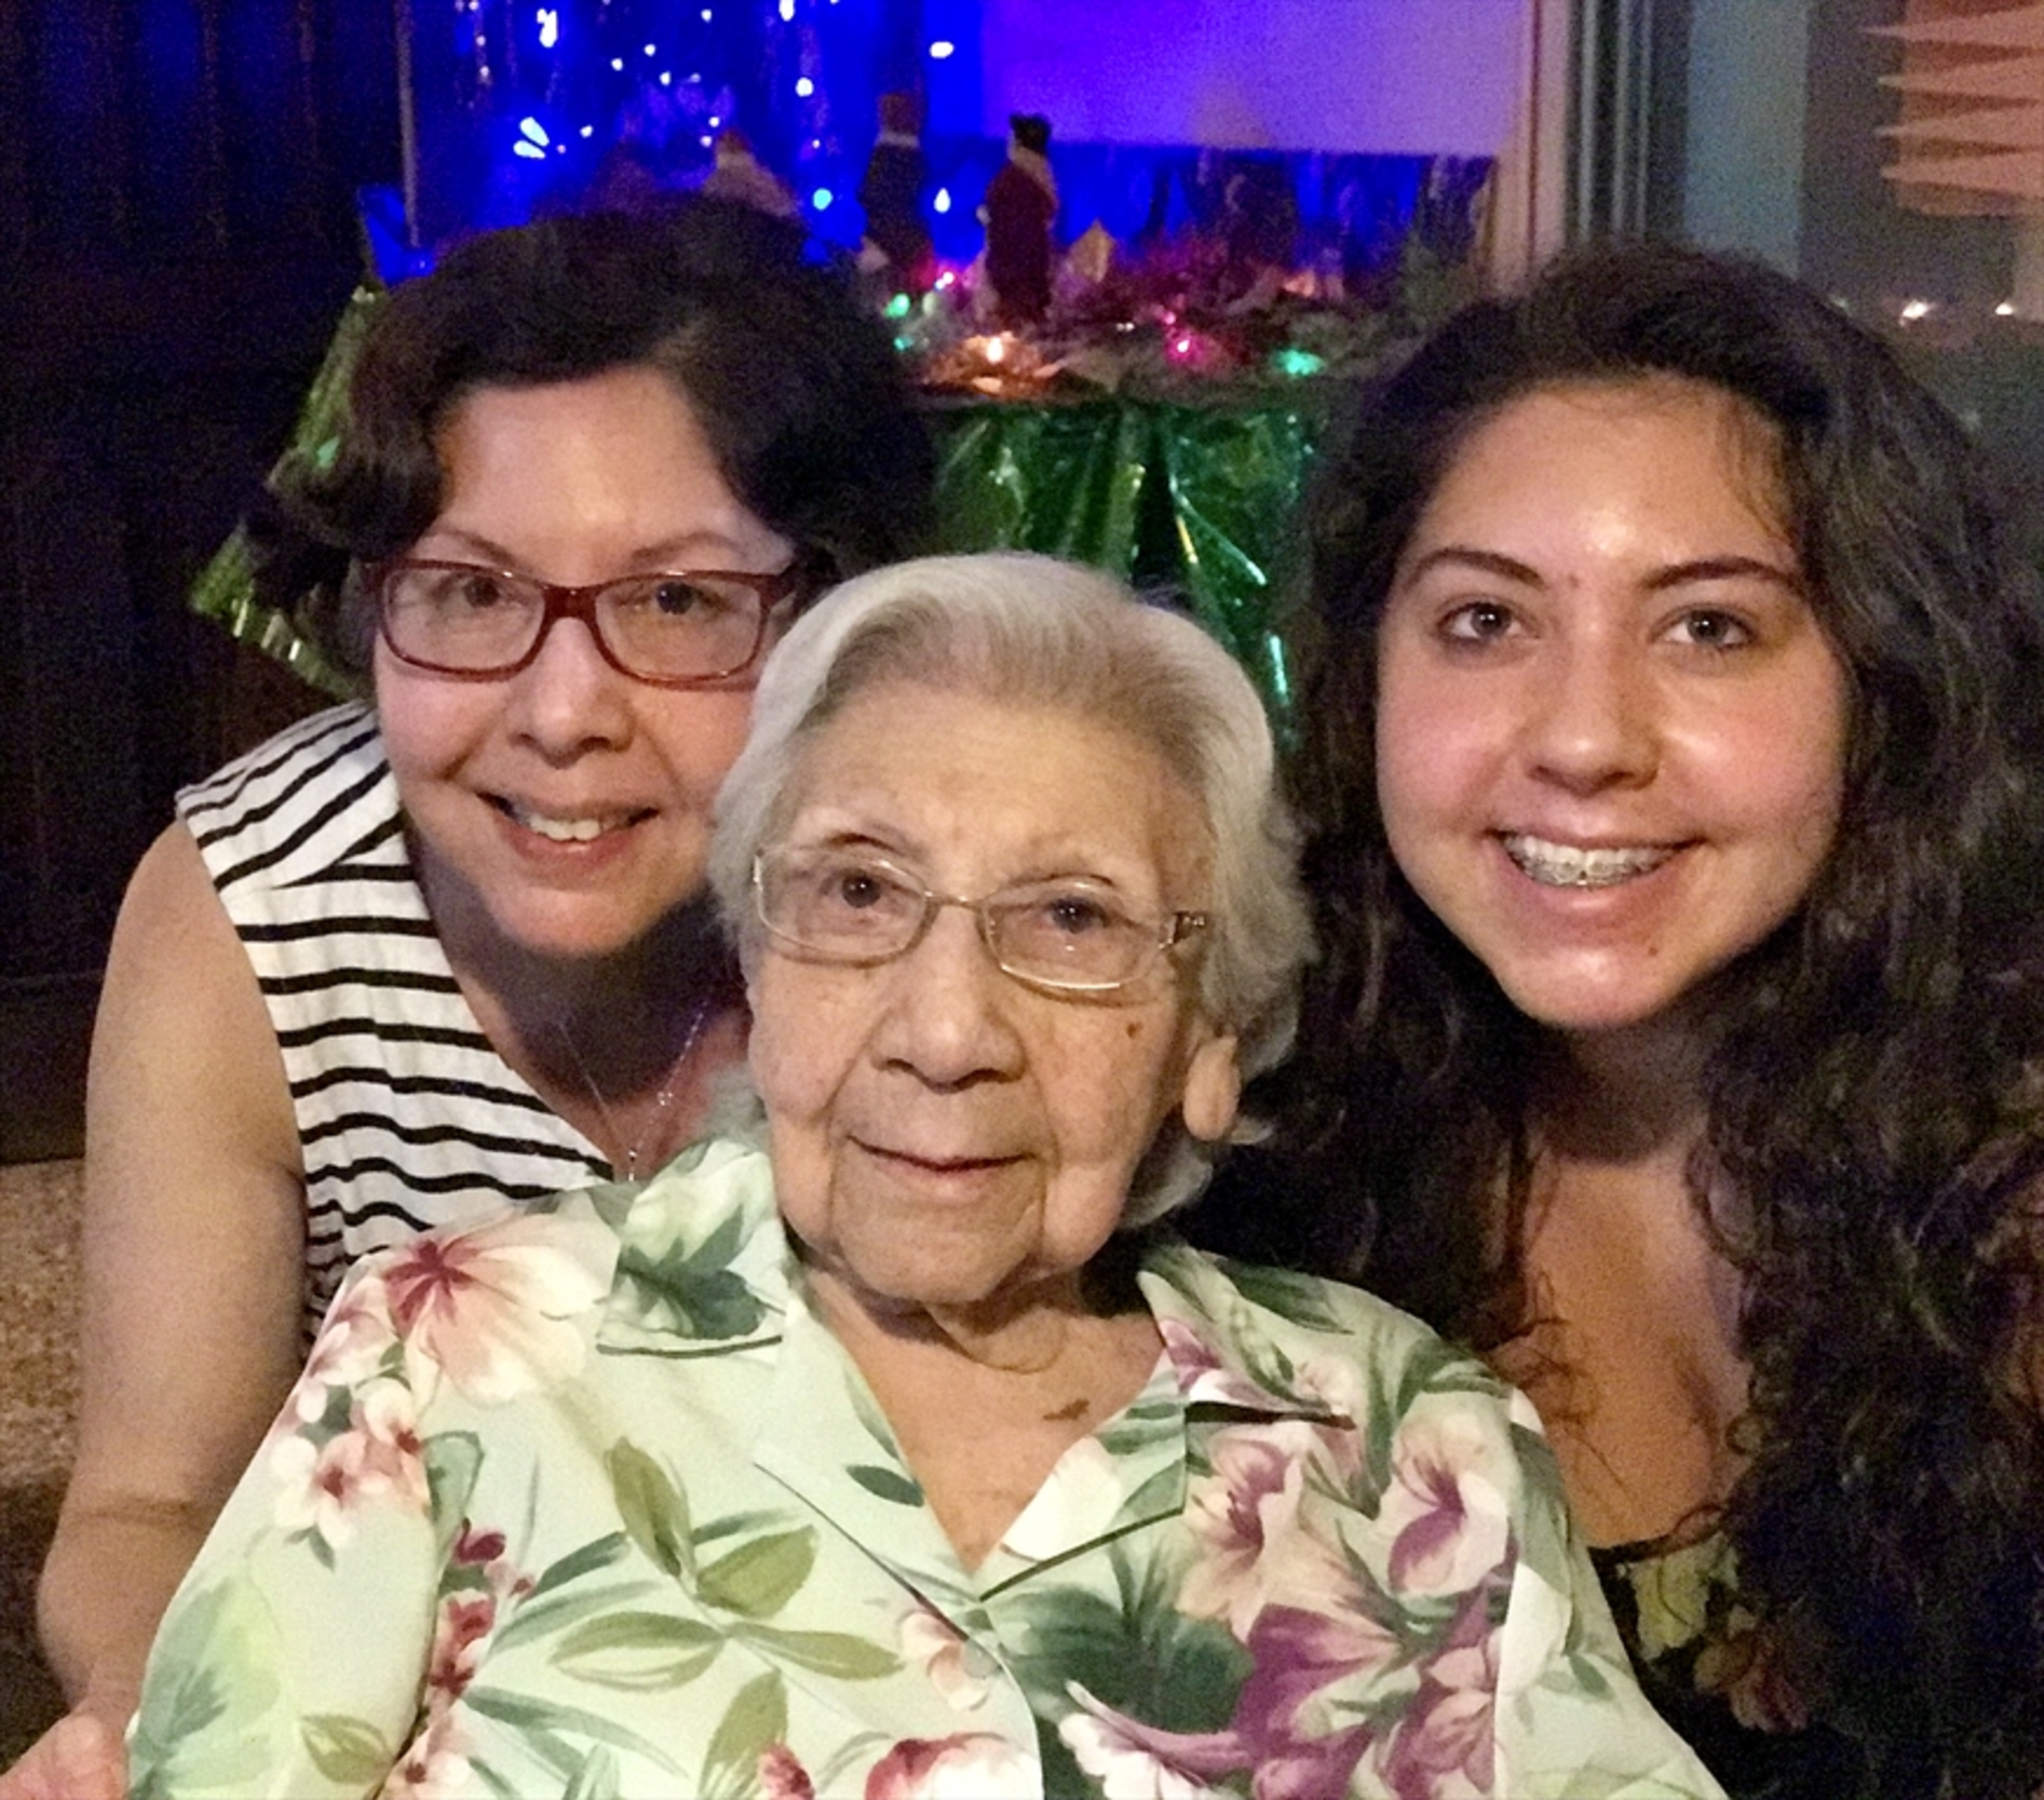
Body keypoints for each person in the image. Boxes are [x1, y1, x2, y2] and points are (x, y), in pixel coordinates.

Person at [126, 554, 1721, 1799]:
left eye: (1074, 920)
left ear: (1209, 1037)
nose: (946, 1031)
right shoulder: (453, 1357)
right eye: (858, 893)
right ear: (757, 961)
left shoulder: (1412, 1442)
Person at [10, 199, 933, 1800]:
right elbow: (148, 1503)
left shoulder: (940, 895)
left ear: (838, 616)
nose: (562, 712)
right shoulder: (261, 908)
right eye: (469, 592)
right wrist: (185, 1722)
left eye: (678, 603)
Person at [1188, 242, 2044, 1797]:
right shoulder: (1254, 1182)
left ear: (1887, 681)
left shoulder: (2008, 1182)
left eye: (1707, 627)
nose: (1583, 740)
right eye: (1483, 622)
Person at [981, 113, 1058, 327]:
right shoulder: (1040, 178)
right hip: (1028, 271)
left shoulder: (1012, 180)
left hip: (1012, 272)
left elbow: (1005, 232)